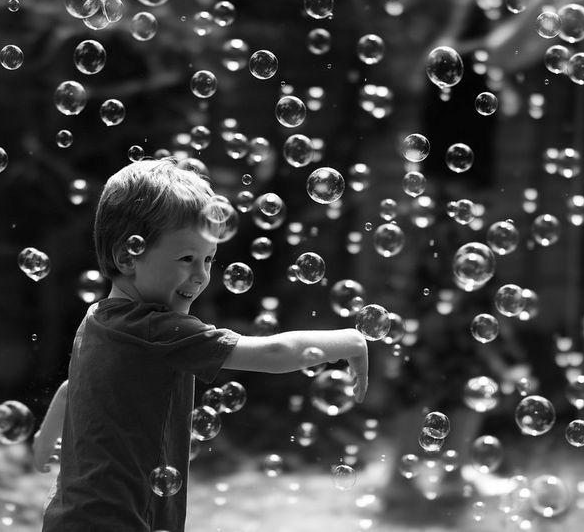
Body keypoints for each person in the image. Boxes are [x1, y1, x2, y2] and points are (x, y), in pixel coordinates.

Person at [36, 158, 369, 532]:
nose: (200, 275)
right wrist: (350, 340)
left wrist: (43, 439)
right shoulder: (157, 330)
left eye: (209, 258)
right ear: (127, 256)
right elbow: (273, 354)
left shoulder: (98, 318)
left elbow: (75, 389)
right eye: (186, 258)